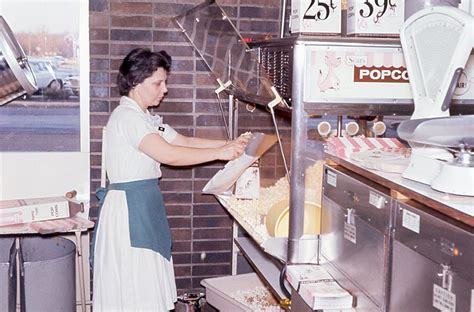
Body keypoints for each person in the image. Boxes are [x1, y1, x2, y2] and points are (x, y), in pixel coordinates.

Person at [92, 48, 248, 311]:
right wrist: (221, 153)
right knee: (134, 290)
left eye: (164, 82)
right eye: (157, 83)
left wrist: (230, 144)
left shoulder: (146, 118)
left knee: (145, 284)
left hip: (143, 205)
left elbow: (184, 141)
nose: (164, 89)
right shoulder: (128, 118)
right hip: (129, 212)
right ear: (134, 82)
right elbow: (168, 154)